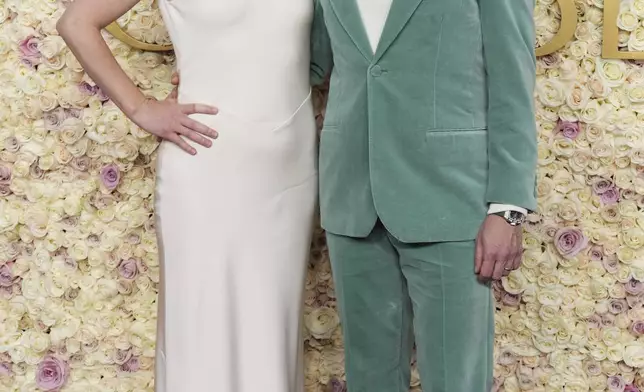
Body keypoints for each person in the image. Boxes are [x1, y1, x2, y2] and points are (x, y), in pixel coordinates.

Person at [57, 0, 318, 391]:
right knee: (200, 329)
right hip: (205, 168)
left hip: (289, 173)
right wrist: (141, 107)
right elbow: (76, 22)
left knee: (271, 329)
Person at [308, 0, 537, 391]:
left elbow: (512, 84)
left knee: (456, 379)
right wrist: (210, 76)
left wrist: (508, 207)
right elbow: (307, 66)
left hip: (449, 197)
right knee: (368, 377)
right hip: (351, 196)